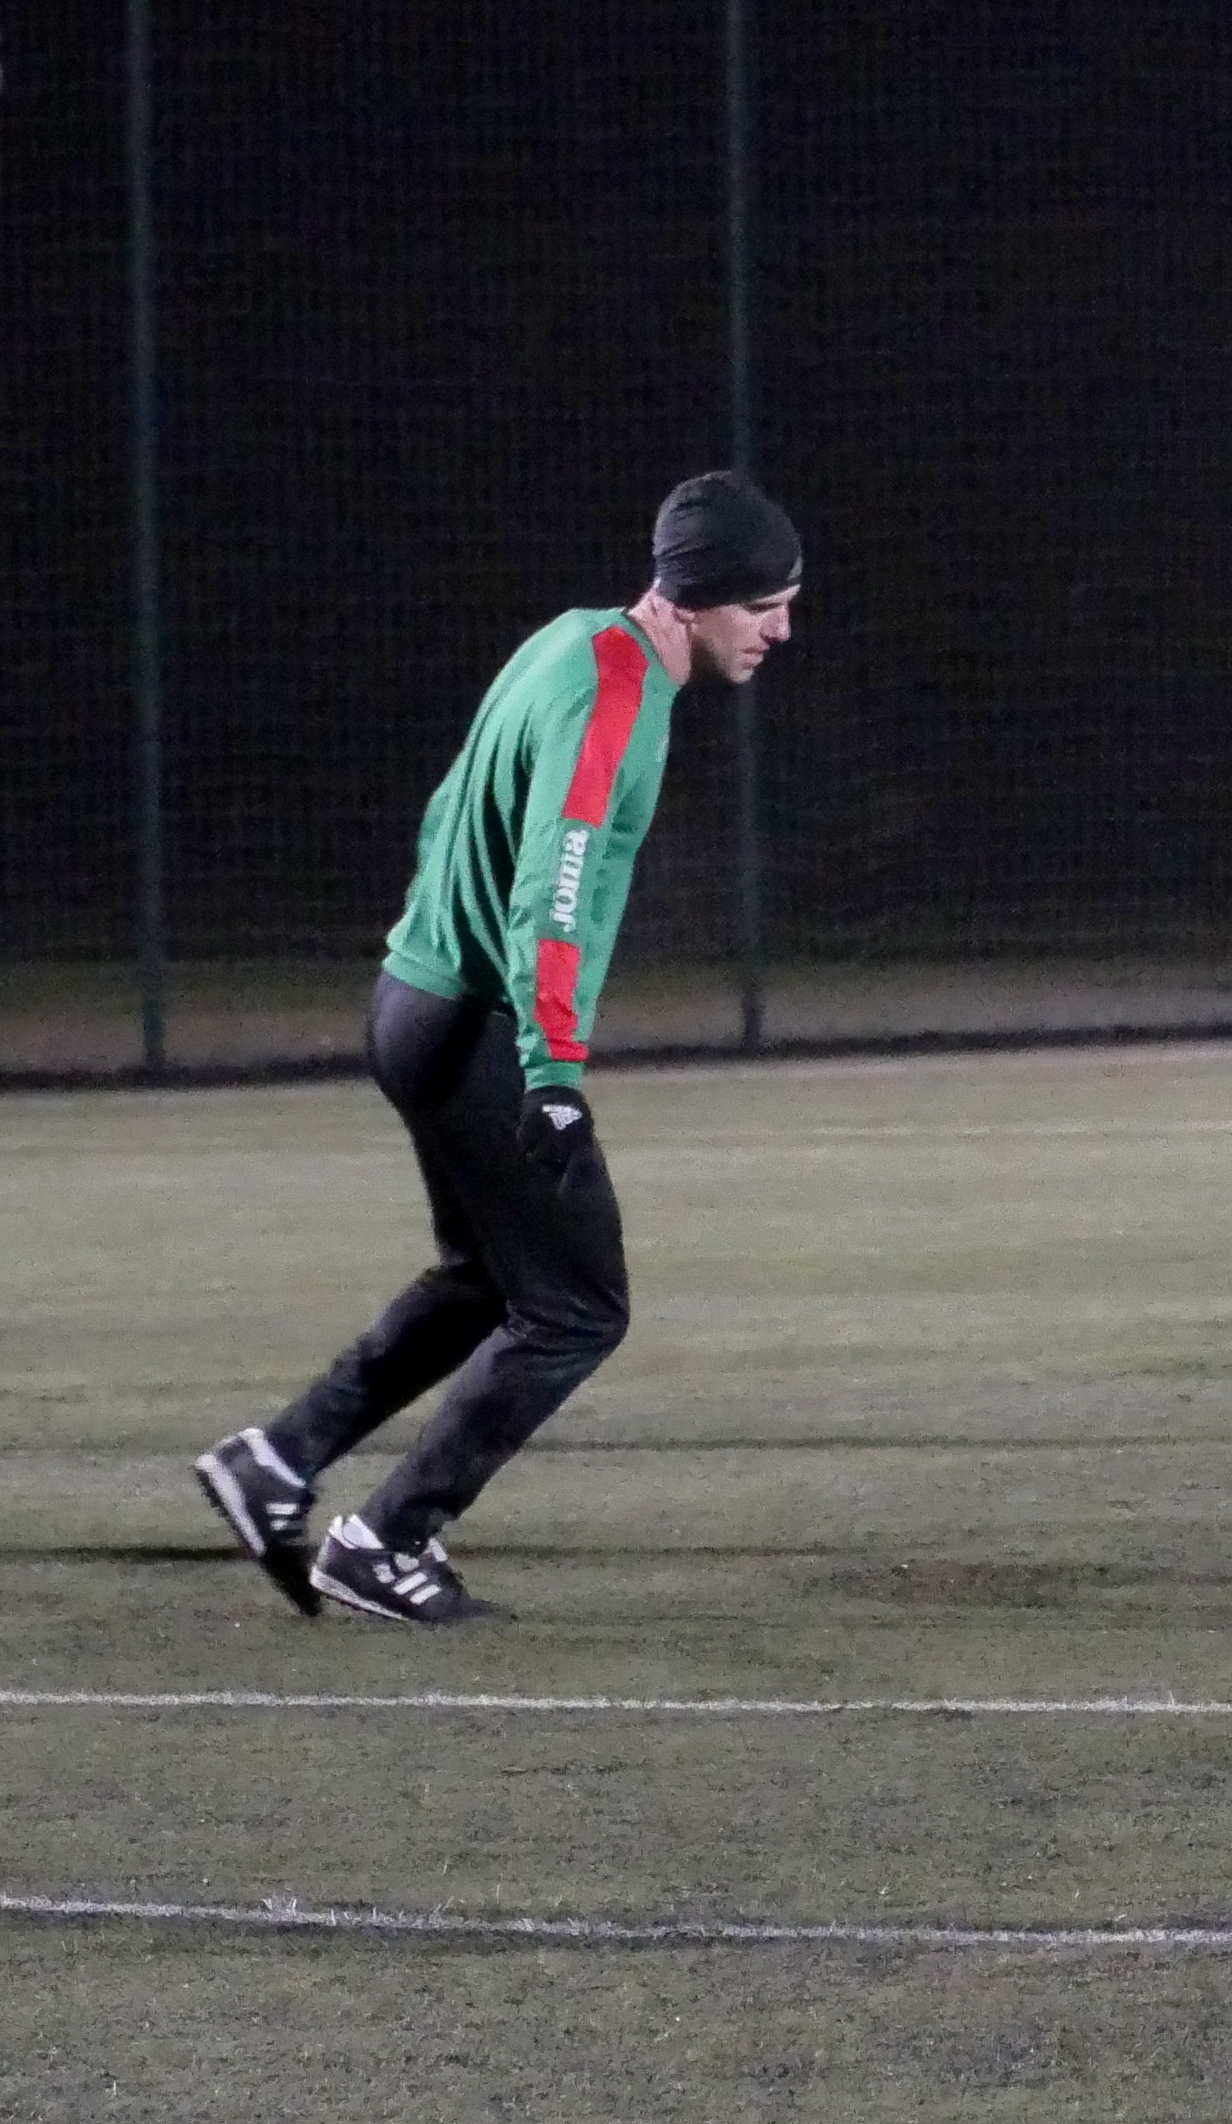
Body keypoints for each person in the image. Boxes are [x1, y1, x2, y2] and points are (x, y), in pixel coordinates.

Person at [193, 473, 802, 1623]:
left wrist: (432, 944)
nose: (780, 629)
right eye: (764, 605)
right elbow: (551, 893)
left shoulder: (570, 639)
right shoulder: (618, 697)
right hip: (477, 1026)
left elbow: (448, 806)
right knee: (579, 1306)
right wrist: (553, 1072)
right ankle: (385, 1540)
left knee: (488, 1279)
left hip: (414, 1000)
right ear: (700, 596)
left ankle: (278, 1459)